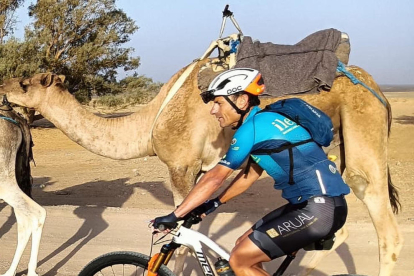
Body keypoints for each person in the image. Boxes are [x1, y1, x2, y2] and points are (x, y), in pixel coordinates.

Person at [152, 68, 350, 276]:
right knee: (242, 245)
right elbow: (248, 176)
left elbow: (215, 177)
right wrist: (214, 204)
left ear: (241, 101)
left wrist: (175, 215)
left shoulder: (252, 128)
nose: (213, 110)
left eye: (218, 103)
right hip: (315, 205)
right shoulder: (265, 122)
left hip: (318, 209)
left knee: (240, 261)